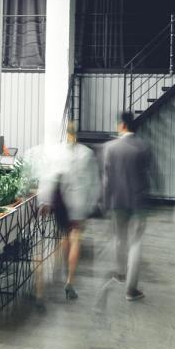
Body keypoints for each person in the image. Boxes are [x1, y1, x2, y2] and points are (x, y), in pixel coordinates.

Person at [36, 124, 100, 300]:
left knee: (64, 235)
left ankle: (62, 267)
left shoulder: (56, 153)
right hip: (78, 203)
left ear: (66, 134)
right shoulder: (86, 153)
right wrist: (92, 204)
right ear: (76, 135)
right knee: (75, 238)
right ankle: (70, 281)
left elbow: (48, 178)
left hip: (61, 203)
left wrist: (44, 201)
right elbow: (94, 182)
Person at [99, 111, 154, 303]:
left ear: (122, 125)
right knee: (136, 243)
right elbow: (149, 174)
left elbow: (106, 179)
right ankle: (131, 290)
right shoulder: (144, 146)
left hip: (117, 201)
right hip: (138, 202)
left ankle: (120, 273)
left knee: (119, 239)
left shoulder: (110, 147)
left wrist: (105, 202)